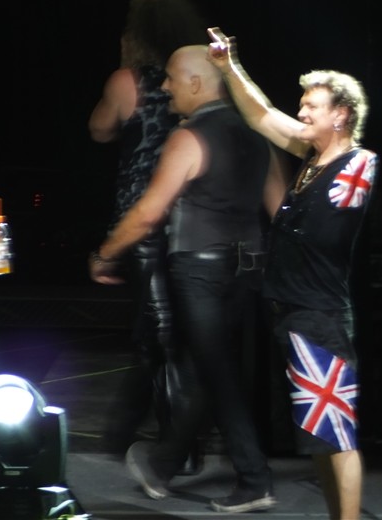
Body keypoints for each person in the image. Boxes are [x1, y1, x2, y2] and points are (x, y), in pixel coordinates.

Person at [90, 45, 287, 513]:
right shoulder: (256, 134)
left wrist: (105, 254)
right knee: (207, 367)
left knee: (214, 370)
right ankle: (165, 465)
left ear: (197, 83)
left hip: (200, 270)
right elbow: (280, 207)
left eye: (173, 78)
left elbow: (148, 213)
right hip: (247, 266)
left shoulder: (189, 136)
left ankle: (253, 479)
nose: (165, 87)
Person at [207, 26, 378, 520]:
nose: (301, 113)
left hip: (319, 315)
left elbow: (343, 202)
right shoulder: (311, 159)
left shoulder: (357, 163)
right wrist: (229, 67)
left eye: (311, 107)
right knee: (320, 435)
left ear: (341, 114)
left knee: (336, 431)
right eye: (302, 105)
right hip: (293, 313)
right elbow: (261, 114)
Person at [87, 0, 206, 463]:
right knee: (174, 333)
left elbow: (99, 129)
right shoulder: (198, 83)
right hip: (193, 220)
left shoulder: (128, 81)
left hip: (143, 220)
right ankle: (162, 438)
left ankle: (168, 443)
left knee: (156, 334)